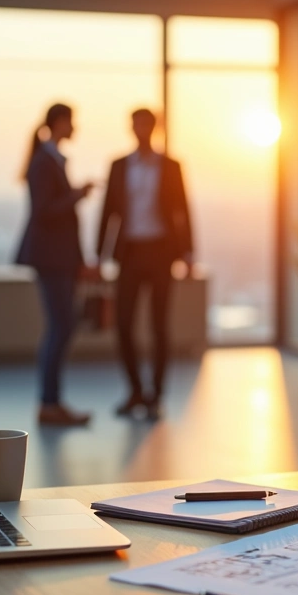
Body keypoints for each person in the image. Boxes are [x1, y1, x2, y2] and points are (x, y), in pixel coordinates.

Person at [97, 109, 194, 418]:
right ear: (131, 128)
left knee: (159, 325)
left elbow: (183, 210)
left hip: (162, 252)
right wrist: (98, 255)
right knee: (123, 324)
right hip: (129, 253)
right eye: (137, 124)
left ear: (154, 128)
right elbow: (108, 212)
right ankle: (135, 391)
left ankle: (156, 396)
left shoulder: (170, 166)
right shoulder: (119, 166)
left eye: (146, 124)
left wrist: (189, 253)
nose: (141, 129)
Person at [15, 103, 95, 427]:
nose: (75, 127)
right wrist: (77, 195)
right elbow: (45, 211)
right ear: (60, 122)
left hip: (59, 259)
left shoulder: (49, 160)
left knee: (61, 326)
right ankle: (50, 403)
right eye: (72, 121)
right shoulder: (44, 162)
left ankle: (52, 402)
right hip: (51, 259)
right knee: (60, 327)